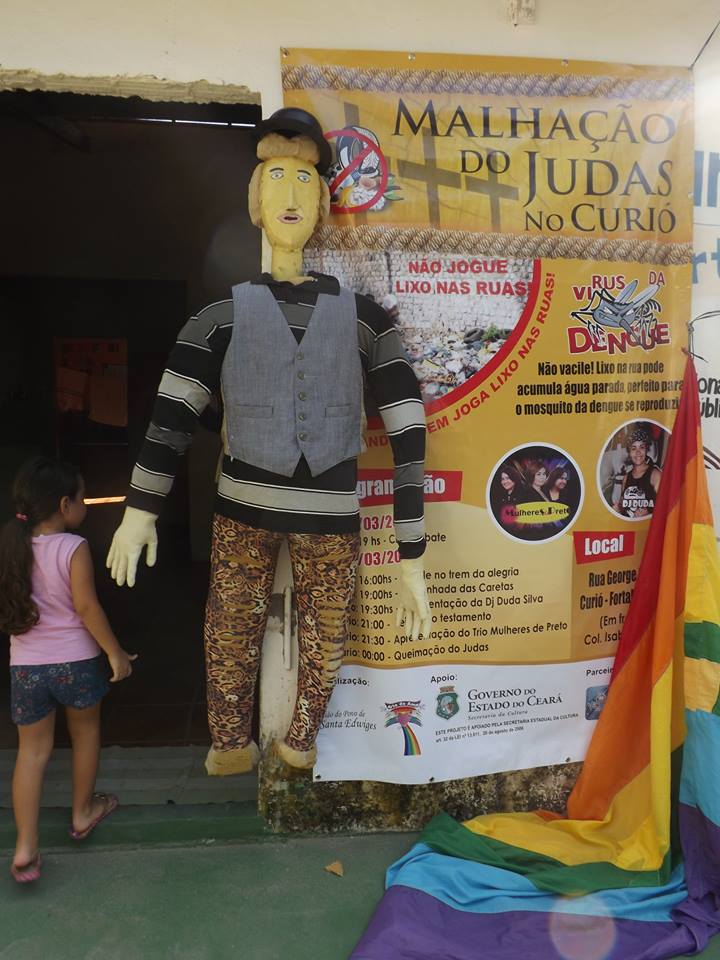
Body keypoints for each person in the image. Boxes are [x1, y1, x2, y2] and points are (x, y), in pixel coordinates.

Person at [106, 107, 430, 775]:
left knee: (327, 634)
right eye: (276, 177)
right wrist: (140, 509)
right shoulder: (216, 318)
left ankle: (301, 739)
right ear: (255, 201)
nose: (290, 194)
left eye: (305, 180)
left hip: (331, 515)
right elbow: (170, 418)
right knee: (229, 627)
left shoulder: (368, 321)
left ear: (323, 204)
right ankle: (229, 742)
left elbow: (408, 430)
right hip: (241, 510)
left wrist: (412, 556)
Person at [0, 457, 136, 883]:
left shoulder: (11, 546)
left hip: (26, 667)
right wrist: (115, 652)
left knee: (31, 753)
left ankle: (26, 846)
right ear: (64, 505)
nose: (85, 505)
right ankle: (82, 812)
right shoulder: (73, 547)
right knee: (85, 734)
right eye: (82, 498)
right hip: (75, 663)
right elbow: (86, 608)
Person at [612, 427, 662, 518]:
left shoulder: (655, 475)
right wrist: (618, 508)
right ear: (629, 452)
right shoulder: (626, 477)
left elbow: (664, 506)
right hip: (629, 525)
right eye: (633, 448)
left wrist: (649, 512)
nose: (638, 452)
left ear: (646, 449)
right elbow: (623, 505)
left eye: (641, 447)